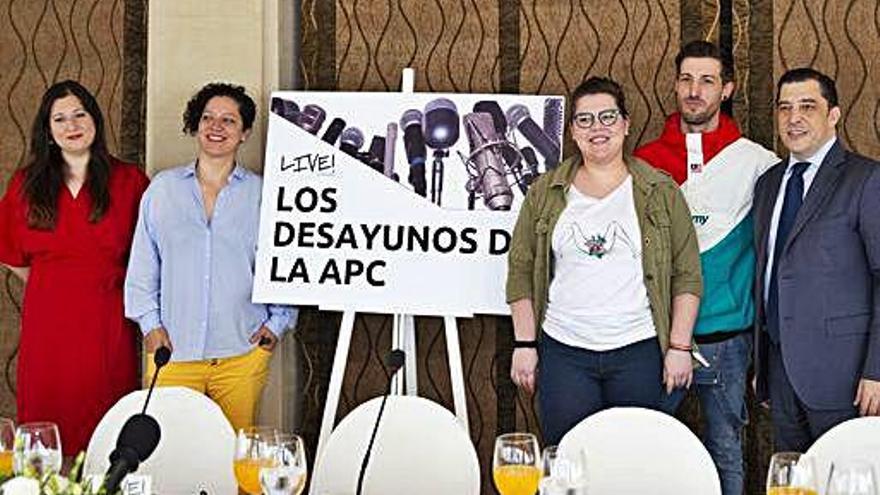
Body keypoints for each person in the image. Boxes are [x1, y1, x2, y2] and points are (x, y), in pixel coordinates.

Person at [506, 76, 702, 445]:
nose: (598, 128)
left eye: (608, 117)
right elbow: (520, 268)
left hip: (640, 351)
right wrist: (525, 344)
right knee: (567, 459)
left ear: (626, 125)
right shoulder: (543, 192)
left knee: (633, 463)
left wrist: (679, 347)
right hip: (565, 353)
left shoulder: (660, 190)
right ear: (572, 132)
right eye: (585, 119)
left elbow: (687, 273)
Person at [634, 41, 777, 495]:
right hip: (655, 336)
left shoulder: (758, 163)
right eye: (686, 79)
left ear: (727, 89)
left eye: (707, 80)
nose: (694, 91)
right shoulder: (643, 162)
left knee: (725, 450)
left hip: (727, 338)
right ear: (676, 85)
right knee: (647, 448)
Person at [124, 83, 296, 431]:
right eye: (208, 117)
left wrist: (276, 327)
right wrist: (150, 327)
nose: (216, 127)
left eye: (229, 120)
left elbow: (286, 263)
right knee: (173, 457)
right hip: (172, 354)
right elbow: (143, 266)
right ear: (196, 125)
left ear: (245, 133)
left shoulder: (264, 194)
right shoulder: (162, 189)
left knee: (234, 460)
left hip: (241, 356)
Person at [0, 80, 149, 454]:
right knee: (47, 434)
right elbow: (9, 250)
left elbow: (151, 255)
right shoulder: (26, 184)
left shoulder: (130, 181)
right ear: (48, 132)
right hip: (47, 327)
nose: (72, 125)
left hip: (107, 321)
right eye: (60, 119)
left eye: (80, 113)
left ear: (94, 119)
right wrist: (54, 282)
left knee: (106, 426)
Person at [754, 68, 880, 452]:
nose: (794, 118)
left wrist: (877, 370)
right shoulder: (769, 183)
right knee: (795, 480)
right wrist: (762, 365)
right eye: (785, 108)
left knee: (845, 479)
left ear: (834, 115)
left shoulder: (866, 179)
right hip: (780, 372)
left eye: (807, 106)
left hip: (846, 376)